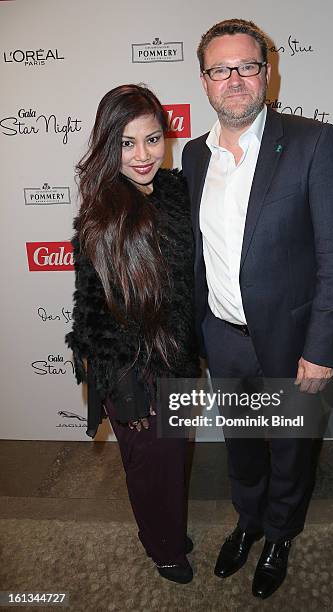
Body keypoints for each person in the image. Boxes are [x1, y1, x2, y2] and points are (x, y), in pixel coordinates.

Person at [182, 19, 333, 599]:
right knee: (241, 443)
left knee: (289, 448)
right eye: (220, 69)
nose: (234, 79)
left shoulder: (313, 142)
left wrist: (322, 348)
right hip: (223, 336)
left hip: (292, 341)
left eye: (246, 66)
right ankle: (249, 520)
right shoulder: (193, 157)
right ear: (205, 80)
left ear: (267, 72)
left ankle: (280, 534)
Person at [66, 84, 199, 584]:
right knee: (150, 466)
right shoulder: (104, 212)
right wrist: (121, 388)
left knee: (171, 460)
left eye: (152, 139)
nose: (143, 156)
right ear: (107, 145)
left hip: (177, 358)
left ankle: (169, 528)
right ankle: (163, 547)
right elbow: (92, 313)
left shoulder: (172, 191)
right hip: (134, 373)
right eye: (126, 143)